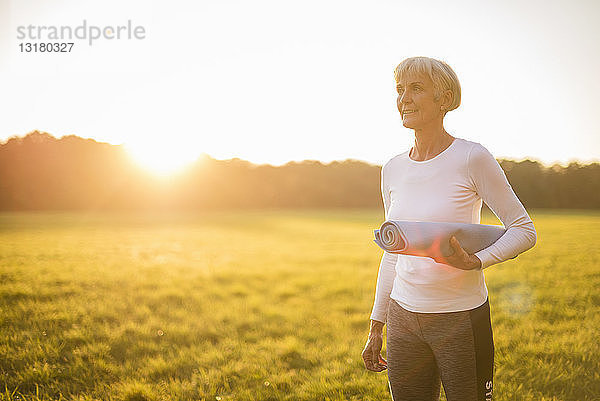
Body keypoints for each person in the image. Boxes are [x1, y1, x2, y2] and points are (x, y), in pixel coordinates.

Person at [361, 56, 537, 401]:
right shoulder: (392, 169)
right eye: (399, 90)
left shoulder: (472, 157)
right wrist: (377, 323)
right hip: (403, 318)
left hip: (460, 318)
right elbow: (393, 254)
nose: (404, 98)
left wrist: (478, 261)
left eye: (415, 88)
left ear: (444, 99)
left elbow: (523, 229)